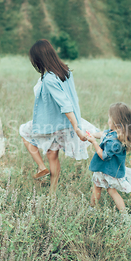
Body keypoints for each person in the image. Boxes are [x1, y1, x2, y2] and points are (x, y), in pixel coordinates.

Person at [19, 39, 99, 195]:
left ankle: (42, 167)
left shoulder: (49, 78)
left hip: (52, 124)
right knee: (52, 153)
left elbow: (65, 104)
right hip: (63, 124)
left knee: (23, 131)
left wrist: (77, 128)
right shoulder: (65, 71)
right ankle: (52, 192)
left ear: (38, 59)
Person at [86, 102, 131, 212]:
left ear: (116, 121)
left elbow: (103, 156)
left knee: (98, 188)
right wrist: (92, 135)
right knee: (111, 191)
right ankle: (124, 214)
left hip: (105, 169)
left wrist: (93, 142)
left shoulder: (114, 142)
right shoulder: (114, 133)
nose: (108, 120)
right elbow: (102, 134)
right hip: (110, 169)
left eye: (109, 118)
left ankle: (92, 209)